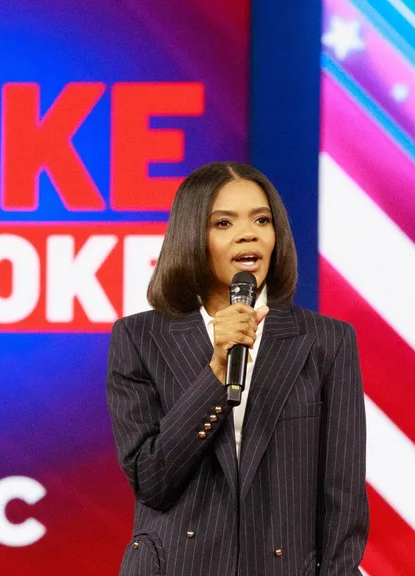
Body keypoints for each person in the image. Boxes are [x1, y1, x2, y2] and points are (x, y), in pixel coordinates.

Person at [106, 162, 368, 575]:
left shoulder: (326, 341)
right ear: (193, 237)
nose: (249, 233)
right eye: (224, 222)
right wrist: (215, 371)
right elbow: (151, 481)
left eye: (261, 220)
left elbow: (344, 497)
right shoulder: (139, 338)